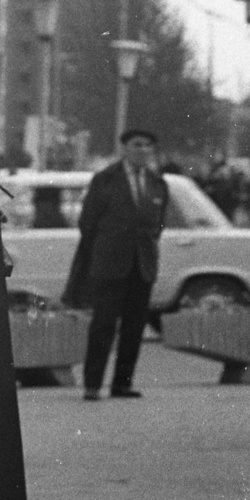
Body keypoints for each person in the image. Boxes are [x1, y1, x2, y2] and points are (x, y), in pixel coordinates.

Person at [70, 128, 168, 400]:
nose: (144, 150)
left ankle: (122, 384)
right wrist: (106, 249)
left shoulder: (157, 182)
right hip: (110, 265)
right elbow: (87, 222)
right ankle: (92, 385)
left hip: (142, 265)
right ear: (125, 148)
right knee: (103, 325)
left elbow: (157, 225)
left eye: (149, 146)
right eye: (137, 145)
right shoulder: (105, 180)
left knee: (134, 326)